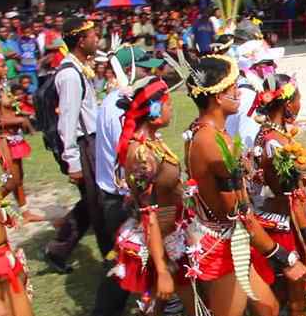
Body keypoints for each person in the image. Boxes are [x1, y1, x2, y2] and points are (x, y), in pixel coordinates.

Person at [183, 55, 304, 316]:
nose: (238, 92)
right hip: (225, 243)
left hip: (226, 237)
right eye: (232, 88)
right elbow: (240, 214)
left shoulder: (204, 131)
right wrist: (283, 256)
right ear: (217, 97)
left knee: (269, 308)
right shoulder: (214, 142)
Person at [106, 77, 195, 315]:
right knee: (180, 302)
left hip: (172, 233)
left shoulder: (153, 143)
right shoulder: (142, 155)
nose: (171, 108)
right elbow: (150, 215)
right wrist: (162, 268)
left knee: (169, 302)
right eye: (167, 104)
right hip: (160, 241)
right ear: (154, 109)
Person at [91, 47, 165, 316]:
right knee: (125, 265)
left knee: (129, 263)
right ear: (131, 71)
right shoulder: (119, 107)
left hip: (121, 195)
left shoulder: (119, 101)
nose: (151, 75)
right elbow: (132, 158)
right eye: (146, 70)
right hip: (122, 199)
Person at [250, 73, 306, 316]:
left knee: (282, 295)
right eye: (298, 98)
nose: (300, 103)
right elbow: (293, 199)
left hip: (277, 221)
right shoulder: (277, 144)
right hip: (288, 228)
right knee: (297, 300)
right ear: (287, 103)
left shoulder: (267, 134)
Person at [44, 17, 107, 274]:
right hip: (84, 146)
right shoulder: (70, 75)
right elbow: (67, 123)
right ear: (81, 40)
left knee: (92, 202)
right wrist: (73, 162)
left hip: (92, 143)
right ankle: (113, 259)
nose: (96, 39)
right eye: (92, 36)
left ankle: (57, 249)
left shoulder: (79, 69)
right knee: (99, 204)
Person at [0, 46, 40, 224]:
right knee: (11, 180)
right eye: (2, 66)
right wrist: (19, 121)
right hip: (2, 139)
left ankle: (25, 213)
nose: (5, 68)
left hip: (14, 138)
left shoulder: (3, 87)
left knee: (20, 177)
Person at [0, 179, 33, 316]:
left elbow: (12, 182)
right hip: (3, 261)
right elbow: (11, 182)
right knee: (6, 307)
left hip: (4, 259)